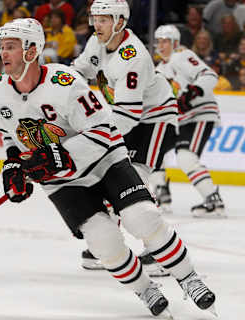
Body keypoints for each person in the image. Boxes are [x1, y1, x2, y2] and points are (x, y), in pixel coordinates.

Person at [0, 16, 216, 318]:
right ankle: (145, 289)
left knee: (142, 218)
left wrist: (59, 154)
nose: (3, 54)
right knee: (103, 243)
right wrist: (13, 165)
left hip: (105, 161)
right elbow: (10, 135)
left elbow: (104, 130)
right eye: (2, 47)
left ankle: (189, 278)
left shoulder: (64, 83)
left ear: (31, 51)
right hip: (63, 181)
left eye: (11, 47)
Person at [72, 0, 179, 275]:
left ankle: (160, 251)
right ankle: (109, 247)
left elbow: (129, 116)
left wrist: (96, 137)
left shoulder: (134, 57)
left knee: (136, 180)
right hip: (129, 118)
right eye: (95, 18)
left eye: (104, 19)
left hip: (155, 120)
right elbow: (79, 72)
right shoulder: (97, 43)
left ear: (120, 22)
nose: (97, 25)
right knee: (110, 178)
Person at [155, 24, 226, 218]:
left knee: (186, 157)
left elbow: (209, 75)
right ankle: (161, 192)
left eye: (165, 41)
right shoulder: (160, 69)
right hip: (182, 119)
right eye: (158, 41)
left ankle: (213, 199)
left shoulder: (182, 55)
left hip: (200, 113)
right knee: (152, 150)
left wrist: (193, 93)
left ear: (175, 43)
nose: (161, 45)